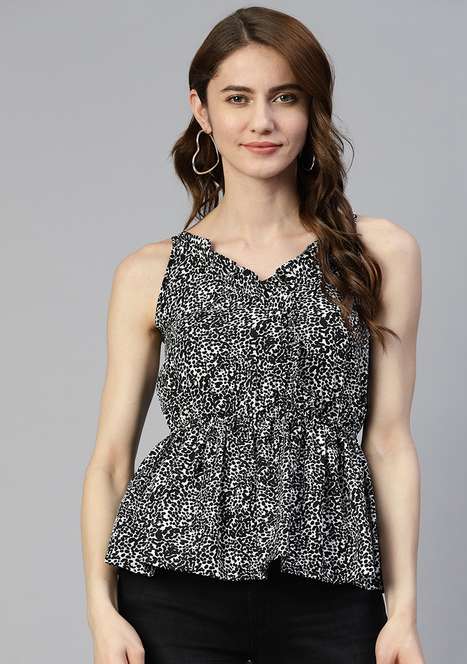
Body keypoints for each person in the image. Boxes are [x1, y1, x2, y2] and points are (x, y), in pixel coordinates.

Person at [81, 6, 425, 664]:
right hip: (171, 591)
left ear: (312, 109)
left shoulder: (380, 254)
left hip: (332, 591)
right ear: (202, 111)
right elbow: (110, 461)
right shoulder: (150, 272)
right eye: (237, 98)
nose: (261, 121)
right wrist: (101, 611)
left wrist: (403, 610)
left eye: (285, 97)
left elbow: (389, 441)